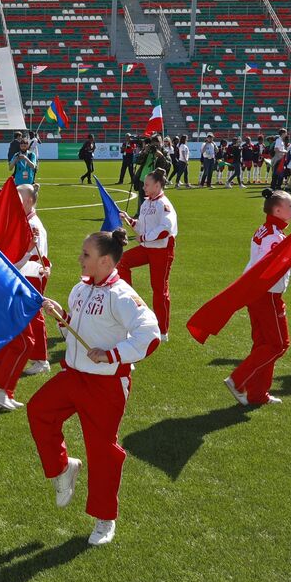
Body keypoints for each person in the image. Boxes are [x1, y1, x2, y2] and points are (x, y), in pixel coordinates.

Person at [28, 229, 160, 547]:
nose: (79, 259)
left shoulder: (123, 294)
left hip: (106, 386)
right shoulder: (80, 288)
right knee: (39, 410)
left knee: (102, 452)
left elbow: (150, 334)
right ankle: (63, 467)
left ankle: (105, 518)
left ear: (104, 260)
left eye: (85, 255)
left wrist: (112, 355)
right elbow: (80, 330)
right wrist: (63, 318)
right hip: (74, 376)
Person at [226, 190, 291, 407]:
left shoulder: (268, 229)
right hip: (267, 295)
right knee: (278, 344)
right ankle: (238, 380)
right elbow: (272, 267)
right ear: (277, 210)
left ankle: (257, 394)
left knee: (263, 343)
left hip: (257, 293)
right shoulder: (274, 235)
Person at [0, 183, 48, 409]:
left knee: (11, 340)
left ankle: (1, 392)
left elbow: (31, 261)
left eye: (17, 198)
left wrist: (40, 268)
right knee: (22, 342)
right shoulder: (22, 224)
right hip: (13, 288)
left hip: (17, 286)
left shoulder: (30, 225)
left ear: (29, 201)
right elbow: (15, 263)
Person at [117, 170, 177, 341]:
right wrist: (130, 220)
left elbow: (165, 230)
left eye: (147, 184)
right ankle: (129, 299)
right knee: (121, 261)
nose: (143, 187)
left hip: (162, 251)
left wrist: (144, 237)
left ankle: (162, 330)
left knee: (159, 288)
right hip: (147, 248)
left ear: (157, 186)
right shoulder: (146, 203)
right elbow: (142, 226)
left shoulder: (164, 205)